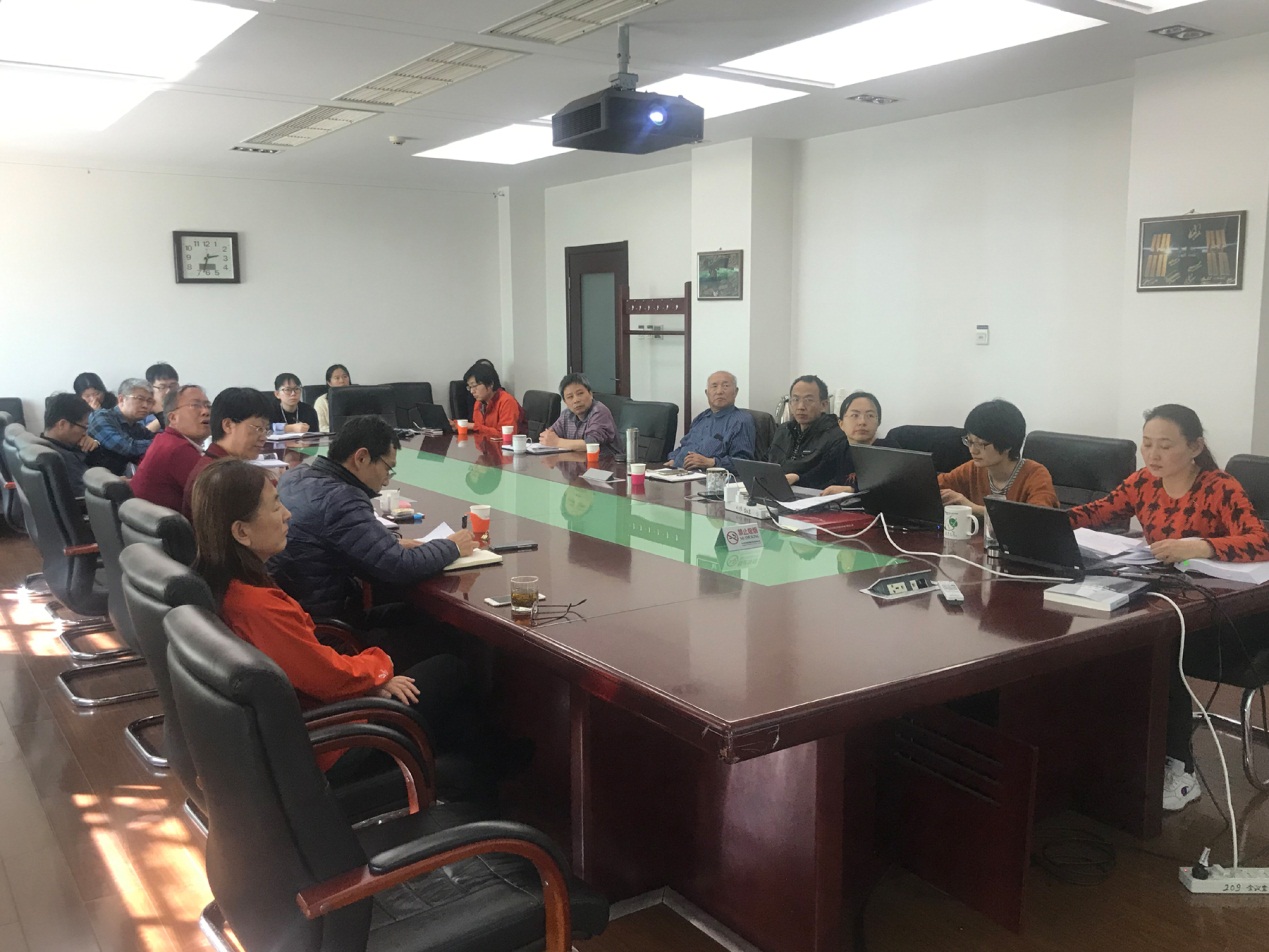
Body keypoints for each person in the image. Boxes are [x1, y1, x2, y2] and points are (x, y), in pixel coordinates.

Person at [189, 458, 473, 776]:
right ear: (242, 532)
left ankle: (453, 771)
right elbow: (328, 678)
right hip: (331, 741)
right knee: (450, 668)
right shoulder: (256, 606)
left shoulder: (225, 585)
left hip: (309, 718)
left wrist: (367, 682)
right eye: (275, 507)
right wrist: (378, 674)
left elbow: (313, 666)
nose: (287, 515)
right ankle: (460, 778)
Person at [1068, 404, 1269, 812]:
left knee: (1154, 651)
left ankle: (1181, 770)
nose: (1152, 455)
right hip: (1166, 599)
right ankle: (1115, 752)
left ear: (1195, 447)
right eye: (1146, 444)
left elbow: (1260, 542)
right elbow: (1095, 512)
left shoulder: (1219, 487)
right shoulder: (1143, 482)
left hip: (1225, 617)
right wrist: (1037, 523)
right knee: (1107, 639)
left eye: (1165, 445)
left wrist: (1201, 546)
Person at [268, 415, 475, 622]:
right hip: (329, 626)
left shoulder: (296, 476)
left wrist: (389, 544)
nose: (386, 481)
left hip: (296, 612)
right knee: (436, 622)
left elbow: (339, 537)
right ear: (361, 458)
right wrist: (453, 546)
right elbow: (401, 567)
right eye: (387, 468)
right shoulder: (341, 498)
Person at [938, 399, 1057, 516]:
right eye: (970, 441)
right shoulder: (972, 469)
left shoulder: (1035, 474)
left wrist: (972, 508)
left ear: (1007, 445)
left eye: (981, 444)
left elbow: (1039, 518)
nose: (973, 450)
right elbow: (933, 486)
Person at [182, 387, 273, 517]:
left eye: (266, 429)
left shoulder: (213, 463)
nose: (263, 437)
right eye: (258, 428)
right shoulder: (222, 477)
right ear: (228, 425)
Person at [130, 385, 212, 511]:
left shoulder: (165, 439)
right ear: (173, 418)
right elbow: (215, 497)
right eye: (195, 405)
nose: (206, 412)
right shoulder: (178, 450)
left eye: (208, 405)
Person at [768, 375, 848, 490]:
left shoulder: (836, 437)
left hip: (812, 495)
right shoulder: (783, 430)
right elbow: (767, 462)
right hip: (776, 490)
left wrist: (798, 479)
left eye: (808, 400)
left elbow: (826, 478)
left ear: (824, 405)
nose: (801, 407)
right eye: (795, 400)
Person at [666, 371, 756, 472]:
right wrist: (673, 458)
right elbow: (685, 445)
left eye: (725, 386)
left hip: (707, 477)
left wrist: (711, 462)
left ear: (736, 392)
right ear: (707, 393)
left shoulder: (741, 421)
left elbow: (744, 463)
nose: (719, 391)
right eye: (714, 386)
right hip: (679, 472)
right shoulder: (701, 417)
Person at [819, 390, 897, 495]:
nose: (862, 422)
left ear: (878, 422)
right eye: (855, 415)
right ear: (841, 424)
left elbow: (892, 487)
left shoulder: (889, 449)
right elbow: (817, 475)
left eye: (870, 415)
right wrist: (798, 477)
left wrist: (852, 490)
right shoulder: (839, 449)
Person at [87, 378, 155, 475]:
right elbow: (127, 447)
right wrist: (161, 444)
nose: (145, 405)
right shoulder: (101, 417)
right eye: (140, 399)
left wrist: (160, 413)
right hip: (96, 480)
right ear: (121, 399)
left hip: (120, 478)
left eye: (149, 401)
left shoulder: (136, 426)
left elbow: (161, 439)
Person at [540, 373, 620, 454]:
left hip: (606, 461)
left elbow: (591, 444)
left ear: (590, 394)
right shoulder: (566, 414)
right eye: (570, 397)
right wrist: (548, 438)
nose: (576, 400)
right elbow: (549, 435)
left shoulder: (599, 411)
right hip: (577, 460)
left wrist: (557, 442)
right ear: (565, 402)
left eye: (580, 393)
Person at [38, 393, 102, 495]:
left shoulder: (45, 445)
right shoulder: (63, 458)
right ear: (62, 424)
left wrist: (94, 445)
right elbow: (85, 495)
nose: (85, 433)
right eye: (84, 427)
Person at [460, 360, 524, 439]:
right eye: (469, 387)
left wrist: (474, 426)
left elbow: (506, 436)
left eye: (474, 386)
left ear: (490, 384)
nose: (472, 391)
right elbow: (480, 431)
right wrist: (455, 424)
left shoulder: (507, 401)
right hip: (486, 445)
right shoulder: (479, 403)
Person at [313, 364, 350, 432]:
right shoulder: (322, 401)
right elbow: (321, 427)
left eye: (345, 376)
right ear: (329, 382)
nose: (342, 380)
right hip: (332, 436)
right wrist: (342, 432)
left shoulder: (358, 398)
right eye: (337, 378)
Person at [145, 362, 179, 432]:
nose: (168, 391)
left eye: (172, 386)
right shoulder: (142, 409)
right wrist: (160, 414)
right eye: (162, 387)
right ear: (150, 388)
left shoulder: (183, 408)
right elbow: (140, 436)